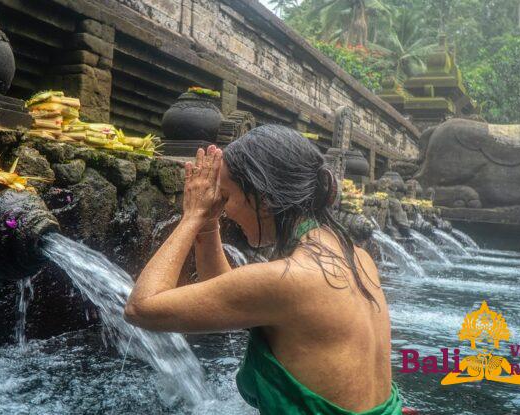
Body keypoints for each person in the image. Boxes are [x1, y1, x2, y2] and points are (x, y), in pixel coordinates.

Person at [124, 125, 402, 414]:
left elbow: (140, 307)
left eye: (228, 196)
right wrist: (208, 224)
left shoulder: (290, 279)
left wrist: (191, 217)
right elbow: (230, 297)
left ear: (265, 200)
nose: (225, 208)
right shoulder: (357, 257)